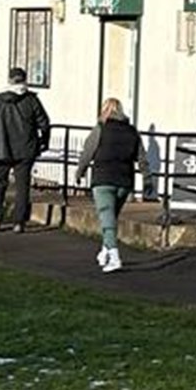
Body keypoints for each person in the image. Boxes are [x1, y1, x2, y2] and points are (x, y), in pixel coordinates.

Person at [76, 97, 142, 273]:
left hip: (103, 178)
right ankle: (105, 251)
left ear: (104, 110)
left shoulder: (100, 129)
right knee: (110, 219)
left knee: (107, 218)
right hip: (124, 181)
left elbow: (87, 153)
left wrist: (80, 172)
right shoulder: (132, 132)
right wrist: (148, 179)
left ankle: (114, 256)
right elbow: (141, 157)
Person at [0, 66, 50, 231]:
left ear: (10, 80)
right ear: (25, 80)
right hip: (26, 148)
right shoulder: (31, 100)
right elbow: (44, 123)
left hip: (1, 148)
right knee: (22, 186)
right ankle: (19, 222)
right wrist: (43, 142)